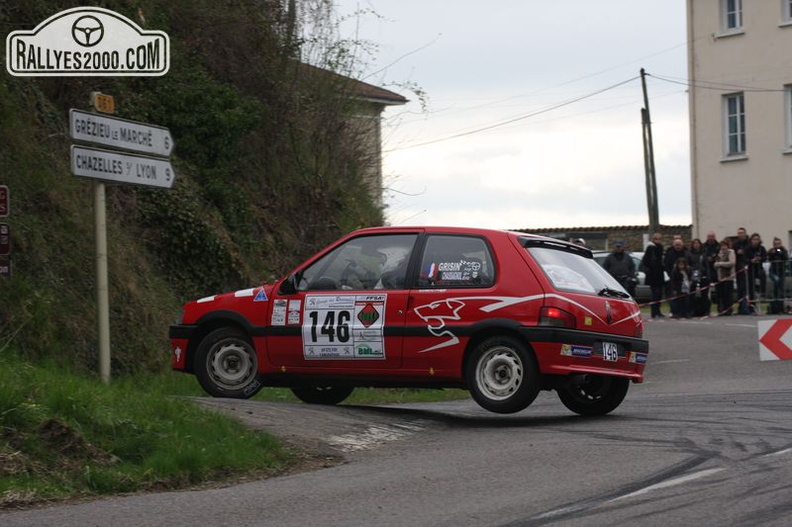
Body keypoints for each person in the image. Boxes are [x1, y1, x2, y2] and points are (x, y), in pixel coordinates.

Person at [663, 238, 693, 317]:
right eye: (676, 245)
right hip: (674, 279)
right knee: (674, 297)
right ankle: (675, 312)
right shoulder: (669, 254)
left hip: (685, 280)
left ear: (682, 245)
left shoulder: (687, 253)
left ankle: (686, 312)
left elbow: (691, 264)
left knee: (686, 298)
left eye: (679, 245)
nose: (678, 246)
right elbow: (666, 265)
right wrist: (671, 275)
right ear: (673, 245)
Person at [642, 232, 666, 318]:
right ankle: (654, 312)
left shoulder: (660, 248)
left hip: (659, 274)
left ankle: (658, 311)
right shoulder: (650, 248)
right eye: (656, 238)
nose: (658, 240)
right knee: (655, 293)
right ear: (653, 239)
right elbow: (646, 261)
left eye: (659, 239)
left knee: (659, 294)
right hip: (653, 275)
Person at [743, 233, 767, 313]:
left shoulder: (762, 248)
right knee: (751, 288)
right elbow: (745, 259)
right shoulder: (747, 248)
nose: (756, 241)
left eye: (757, 239)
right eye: (754, 239)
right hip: (750, 269)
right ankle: (751, 306)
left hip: (759, 268)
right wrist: (751, 260)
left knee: (763, 275)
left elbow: (765, 257)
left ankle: (762, 292)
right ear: (751, 240)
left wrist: (760, 258)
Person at [713, 238, 736, 315]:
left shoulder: (731, 252)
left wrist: (720, 264)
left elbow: (732, 263)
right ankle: (722, 309)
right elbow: (716, 263)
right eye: (722, 246)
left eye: (725, 246)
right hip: (720, 277)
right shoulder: (719, 254)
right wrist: (716, 264)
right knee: (721, 294)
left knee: (728, 295)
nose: (723, 247)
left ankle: (728, 310)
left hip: (728, 277)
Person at [767, 237, 788, 314]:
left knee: (781, 289)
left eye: (778, 244)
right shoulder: (771, 251)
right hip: (773, 271)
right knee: (777, 282)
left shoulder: (783, 250)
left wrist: (781, 252)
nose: (777, 246)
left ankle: (781, 308)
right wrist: (771, 253)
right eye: (775, 244)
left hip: (781, 272)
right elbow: (768, 257)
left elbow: (785, 258)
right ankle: (775, 307)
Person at [733, 227, 751, 314]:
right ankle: (741, 308)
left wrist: (744, 251)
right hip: (739, 269)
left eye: (742, 233)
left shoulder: (749, 243)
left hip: (748, 269)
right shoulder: (735, 244)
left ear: (745, 234)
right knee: (740, 289)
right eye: (739, 233)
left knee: (747, 289)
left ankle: (748, 307)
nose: (740, 234)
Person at [703, 231, 720, 309]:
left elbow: (719, 256)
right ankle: (706, 308)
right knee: (706, 291)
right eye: (709, 236)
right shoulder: (703, 246)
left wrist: (713, 259)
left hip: (716, 270)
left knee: (719, 290)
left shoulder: (718, 246)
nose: (710, 238)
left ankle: (720, 307)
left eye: (712, 236)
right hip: (706, 270)